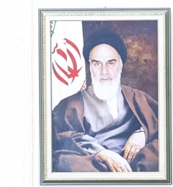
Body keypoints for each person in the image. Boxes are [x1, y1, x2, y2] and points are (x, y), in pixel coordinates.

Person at [51, 27, 160, 173]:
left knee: (161, 152)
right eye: (97, 63)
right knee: (66, 162)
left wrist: (142, 134)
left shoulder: (137, 97)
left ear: (120, 65)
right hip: (95, 164)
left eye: (110, 63)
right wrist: (102, 153)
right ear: (90, 67)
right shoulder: (71, 104)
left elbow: (163, 122)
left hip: (134, 162)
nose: (104, 71)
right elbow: (63, 137)